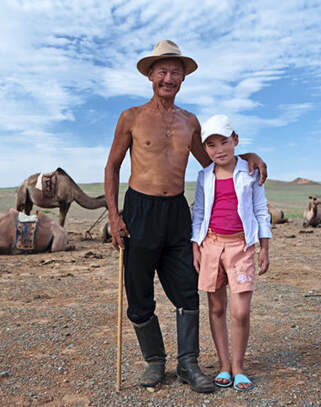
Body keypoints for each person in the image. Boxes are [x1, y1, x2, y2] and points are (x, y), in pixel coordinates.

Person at [104, 40, 268, 393]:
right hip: (139, 210)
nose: (168, 78)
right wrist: (114, 215)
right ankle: (154, 362)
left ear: (183, 79)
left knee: (187, 289)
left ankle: (188, 363)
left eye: (175, 72)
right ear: (150, 75)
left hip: (176, 212)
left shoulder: (190, 122)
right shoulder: (130, 117)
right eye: (162, 71)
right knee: (138, 291)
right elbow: (113, 166)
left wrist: (247, 154)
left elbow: (214, 162)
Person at [191, 114, 271, 391]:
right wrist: (195, 246)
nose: (219, 150)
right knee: (216, 307)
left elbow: (261, 211)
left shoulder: (249, 174)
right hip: (211, 245)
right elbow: (199, 212)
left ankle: (239, 366)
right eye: (211, 145)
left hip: (242, 246)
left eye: (224, 142)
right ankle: (224, 365)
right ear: (205, 149)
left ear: (235, 140)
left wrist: (265, 248)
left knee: (241, 312)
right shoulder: (204, 177)